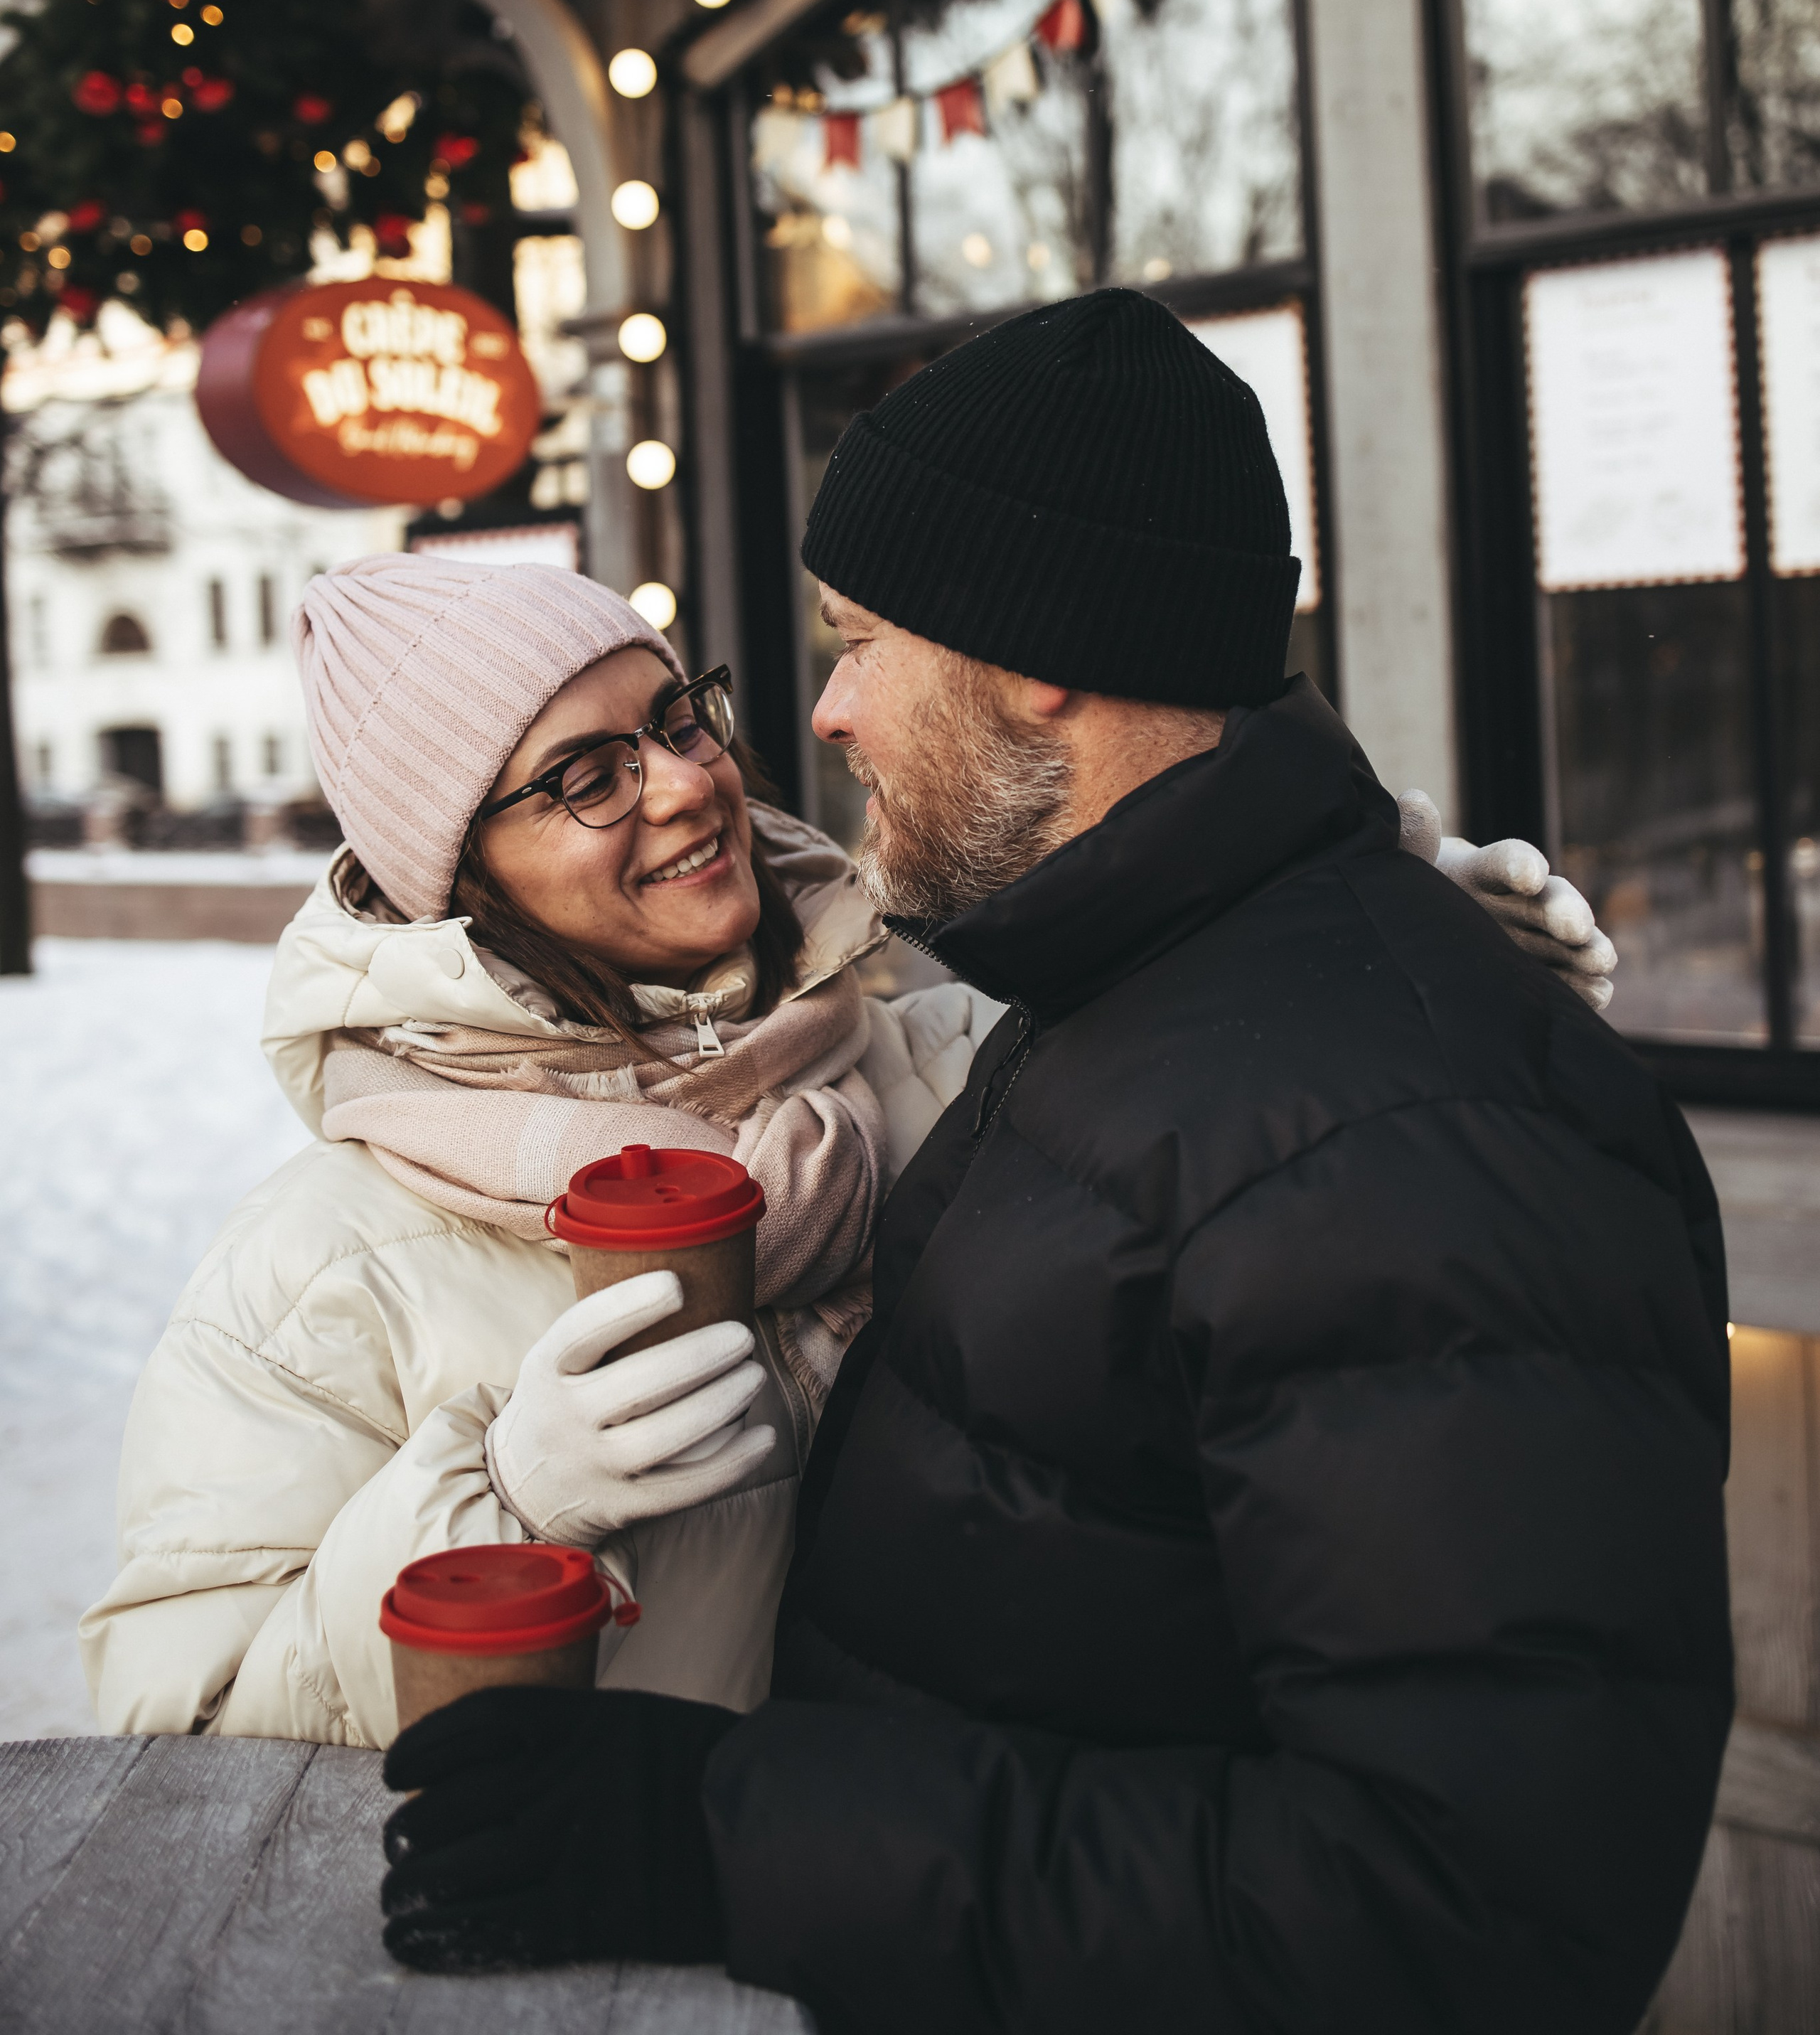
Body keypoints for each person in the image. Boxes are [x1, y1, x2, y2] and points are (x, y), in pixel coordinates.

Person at [379, 290, 1731, 2035]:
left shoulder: (1407, 1134)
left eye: (858, 637)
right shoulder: (1128, 988)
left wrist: (737, 1836)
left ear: (1032, 651)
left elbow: (1467, 1918)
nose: (831, 711)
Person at [80, 556, 998, 1741]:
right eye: (582, 779)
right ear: (463, 879)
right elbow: (187, 1730)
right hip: (619, 1910)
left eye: (675, 722)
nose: (679, 783)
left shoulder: (959, 1066)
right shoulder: (321, 1268)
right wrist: (506, 1505)